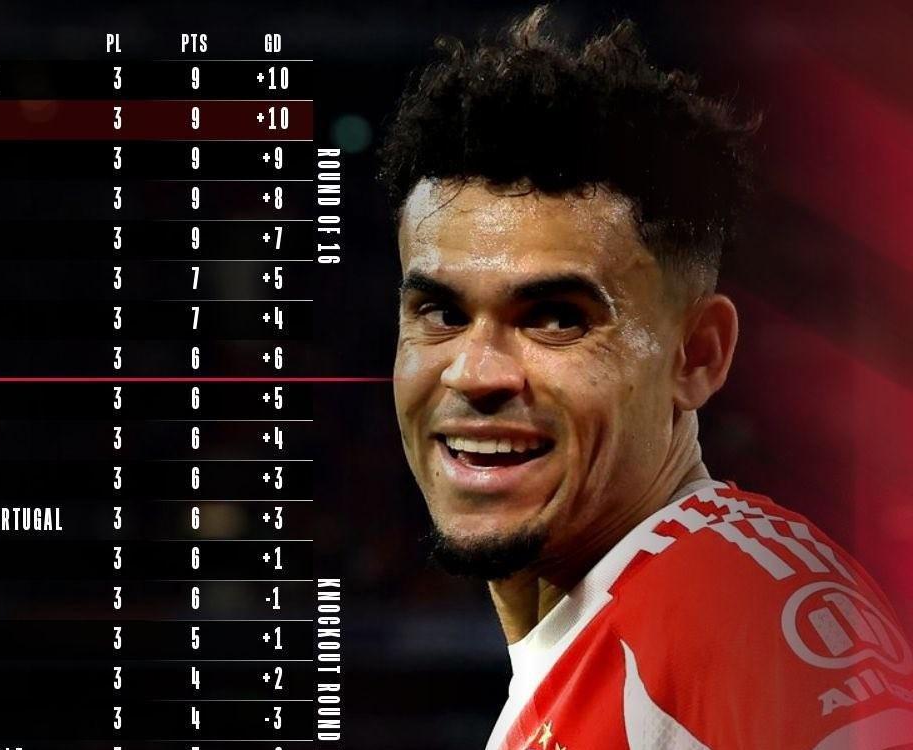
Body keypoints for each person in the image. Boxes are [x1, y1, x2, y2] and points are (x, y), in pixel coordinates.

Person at [381, 7, 913, 749]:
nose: (475, 373)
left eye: (556, 319)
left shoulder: (745, 610)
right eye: (441, 313)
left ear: (697, 355)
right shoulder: (617, 633)